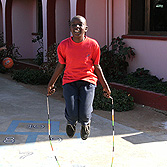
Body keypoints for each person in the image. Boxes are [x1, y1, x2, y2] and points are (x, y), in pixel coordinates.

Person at [47, 15, 111, 140]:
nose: (77, 27)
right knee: (71, 111)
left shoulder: (93, 45)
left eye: (80, 24)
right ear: (70, 28)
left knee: (85, 113)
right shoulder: (64, 45)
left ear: (86, 28)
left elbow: (97, 66)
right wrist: (51, 83)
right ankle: (71, 123)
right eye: (73, 25)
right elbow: (61, 65)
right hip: (69, 81)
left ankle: (86, 124)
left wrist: (105, 86)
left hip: (88, 81)